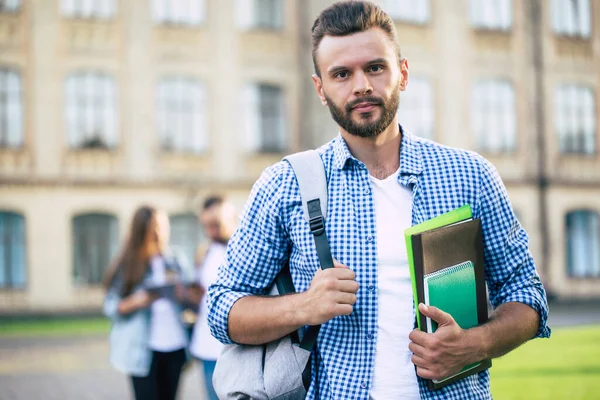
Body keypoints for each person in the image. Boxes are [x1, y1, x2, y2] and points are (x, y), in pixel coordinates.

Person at [208, 1, 551, 399]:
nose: (361, 86)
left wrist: (476, 345)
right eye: (341, 74)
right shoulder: (285, 185)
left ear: (402, 73)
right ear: (320, 88)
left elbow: (526, 293)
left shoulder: (471, 176)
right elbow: (221, 308)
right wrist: (303, 306)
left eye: (375, 67)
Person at [103, 205, 194, 400]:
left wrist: (183, 295)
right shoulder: (128, 265)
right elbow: (110, 307)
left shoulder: (175, 260)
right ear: (141, 230)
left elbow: (193, 303)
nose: (159, 233)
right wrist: (137, 301)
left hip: (175, 346)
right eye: (154, 227)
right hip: (142, 351)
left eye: (163, 226)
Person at [188, 195, 238, 400]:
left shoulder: (244, 251)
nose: (211, 232)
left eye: (216, 225)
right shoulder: (205, 251)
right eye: (206, 226)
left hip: (235, 348)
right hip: (207, 347)